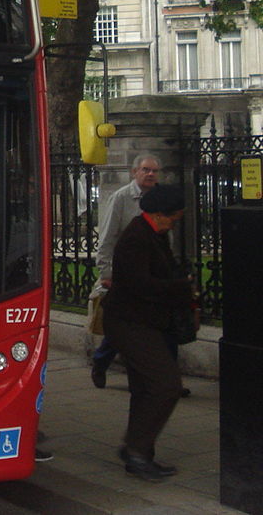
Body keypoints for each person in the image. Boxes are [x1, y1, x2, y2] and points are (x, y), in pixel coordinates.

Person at [101, 184, 196, 481]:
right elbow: (140, 285)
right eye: (174, 217)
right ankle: (137, 452)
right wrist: (182, 287)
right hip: (129, 322)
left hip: (143, 322)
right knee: (166, 385)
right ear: (158, 213)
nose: (174, 222)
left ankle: (137, 450)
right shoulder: (136, 239)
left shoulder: (154, 234)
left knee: (145, 388)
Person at [90, 153, 160, 388]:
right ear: (134, 172)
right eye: (145, 170)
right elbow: (107, 237)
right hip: (124, 276)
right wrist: (107, 274)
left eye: (154, 171)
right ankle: (101, 362)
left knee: (147, 327)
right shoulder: (121, 198)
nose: (150, 174)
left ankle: (146, 376)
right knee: (126, 327)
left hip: (150, 274)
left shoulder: (159, 198)